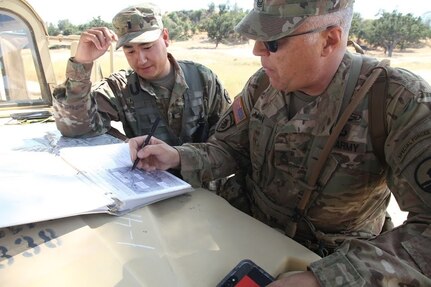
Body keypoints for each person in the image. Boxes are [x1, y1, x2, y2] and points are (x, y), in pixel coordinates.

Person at [129, 0, 431, 286]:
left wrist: (327, 278)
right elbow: (229, 148)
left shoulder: (398, 101)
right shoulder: (262, 84)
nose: (257, 51)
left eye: (273, 41)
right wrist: (176, 157)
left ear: (329, 40)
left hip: (332, 260)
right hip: (244, 235)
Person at [52, 3, 231, 146]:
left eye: (147, 47)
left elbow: (229, 139)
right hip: (150, 184)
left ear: (165, 38)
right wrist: (82, 64)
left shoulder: (203, 79)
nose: (141, 59)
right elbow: (74, 128)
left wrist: (185, 160)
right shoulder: (119, 87)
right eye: (130, 51)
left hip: (203, 186)